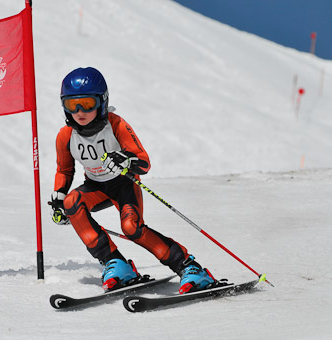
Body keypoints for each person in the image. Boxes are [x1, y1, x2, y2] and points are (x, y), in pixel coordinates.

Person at [49, 67, 217, 294]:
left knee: (131, 228)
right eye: (72, 104)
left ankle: (189, 267)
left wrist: (126, 160)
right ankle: (115, 264)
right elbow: (64, 170)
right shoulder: (66, 135)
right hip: (96, 187)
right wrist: (59, 196)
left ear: (102, 102)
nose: (80, 111)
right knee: (71, 203)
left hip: (123, 184)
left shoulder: (116, 125)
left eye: (87, 104)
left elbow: (144, 162)